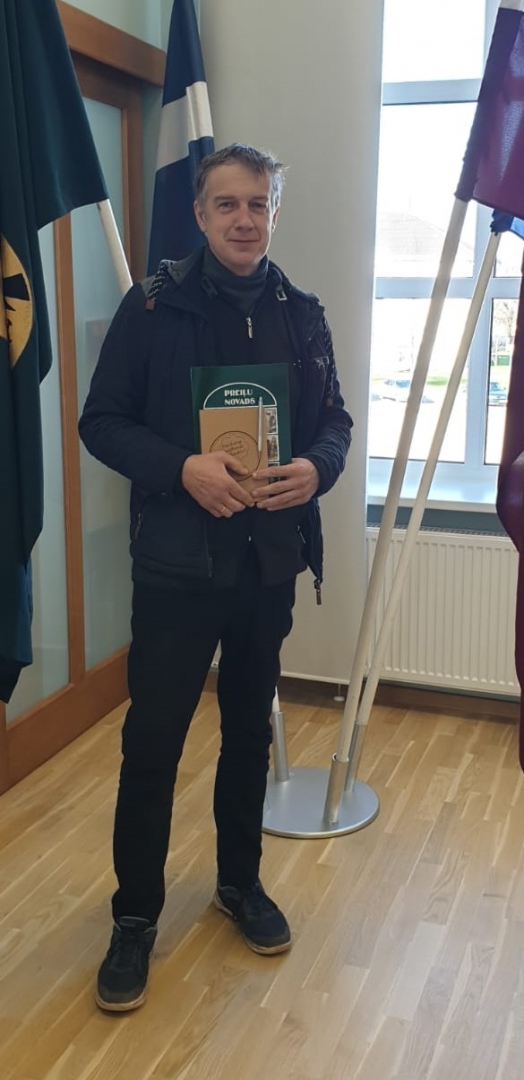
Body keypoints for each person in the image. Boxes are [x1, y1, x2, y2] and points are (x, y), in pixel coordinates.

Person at [79, 143, 353, 1012]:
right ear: (199, 216)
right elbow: (100, 421)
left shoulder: (302, 315)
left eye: (258, 204)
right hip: (175, 569)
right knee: (153, 744)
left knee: (247, 735)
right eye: (227, 204)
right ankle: (134, 918)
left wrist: (316, 468)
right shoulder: (151, 308)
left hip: (266, 564)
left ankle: (240, 883)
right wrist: (180, 468)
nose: (244, 219)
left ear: (275, 213)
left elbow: (336, 422)